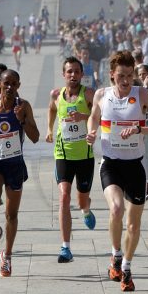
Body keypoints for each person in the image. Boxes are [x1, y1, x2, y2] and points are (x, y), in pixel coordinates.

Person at [86, 51, 148, 291]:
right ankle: (115, 255)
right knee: (116, 208)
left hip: (135, 165)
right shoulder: (102, 95)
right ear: (111, 75)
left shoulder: (141, 94)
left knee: (133, 224)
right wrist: (92, 132)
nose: (125, 81)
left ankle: (127, 267)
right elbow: (93, 118)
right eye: (121, 76)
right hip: (111, 163)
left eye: (129, 75)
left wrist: (139, 129)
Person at [0, 69, 39, 277]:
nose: (10, 87)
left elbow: (35, 137)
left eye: (14, 83)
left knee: (11, 214)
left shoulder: (24, 106)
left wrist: (22, 120)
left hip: (14, 163)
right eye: (6, 83)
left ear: (19, 85)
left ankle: (7, 255)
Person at [45, 57, 96, 263]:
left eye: (76, 71)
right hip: (63, 153)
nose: (73, 75)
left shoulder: (89, 94)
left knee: (81, 198)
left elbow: (98, 116)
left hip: (84, 155)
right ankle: (65, 247)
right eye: (69, 72)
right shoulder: (56, 94)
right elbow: (51, 109)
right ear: (64, 74)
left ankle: (85, 209)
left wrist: (85, 119)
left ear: (82, 74)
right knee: (64, 196)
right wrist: (49, 129)